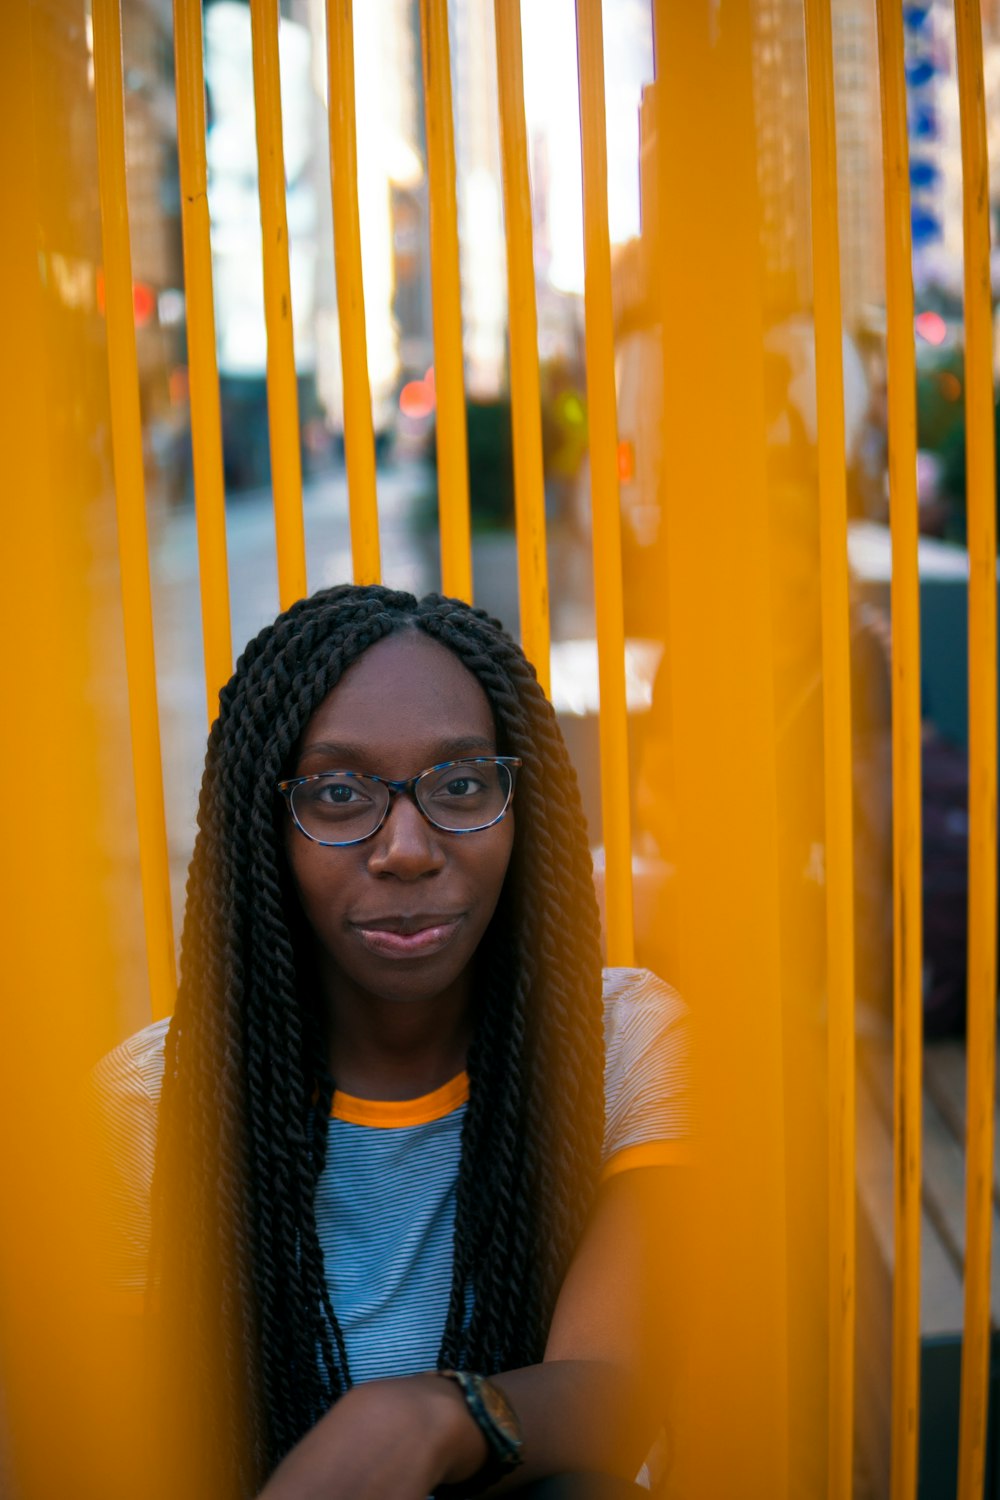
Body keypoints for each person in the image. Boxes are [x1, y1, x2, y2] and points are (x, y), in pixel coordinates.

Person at [91, 584, 690, 1500]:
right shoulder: (144, 1112)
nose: (406, 847)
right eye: (337, 794)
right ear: (266, 830)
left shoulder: (624, 1046)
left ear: (520, 807)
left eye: (461, 785)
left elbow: (612, 1393)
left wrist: (426, 1417)